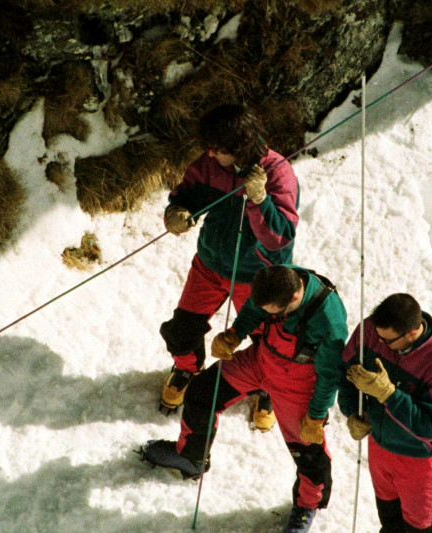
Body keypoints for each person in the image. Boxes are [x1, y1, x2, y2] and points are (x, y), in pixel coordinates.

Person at [141, 264, 348, 533]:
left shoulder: (328, 321)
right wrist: (235, 335)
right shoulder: (274, 280)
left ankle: (307, 505)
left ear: (294, 298)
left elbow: (329, 376)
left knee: (308, 451)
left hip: (297, 386)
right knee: (203, 392)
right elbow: (253, 308)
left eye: (273, 312)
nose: (267, 314)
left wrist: (316, 415)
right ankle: (192, 457)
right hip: (260, 361)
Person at [158, 103, 300, 433]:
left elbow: (279, 238)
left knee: (267, 341)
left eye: (217, 148)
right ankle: (187, 370)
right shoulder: (210, 164)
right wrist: (177, 212)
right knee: (181, 331)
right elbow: (187, 194)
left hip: (258, 277)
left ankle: (267, 388)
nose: (209, 153)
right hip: (209, 264)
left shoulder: (278, 174)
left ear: (237, 146)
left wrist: (260, 199)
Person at [338, 293, 432, 533]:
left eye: (389, 341)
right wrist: (352, 412)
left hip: (419, 458)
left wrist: (389, 394)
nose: (380, 343)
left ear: (412, 333)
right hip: (381, 445)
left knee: (421, 526)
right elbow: (346, 370)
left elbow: (430, 427)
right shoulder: (372, 331)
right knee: (389, 517)